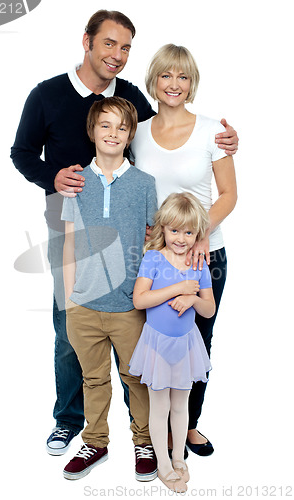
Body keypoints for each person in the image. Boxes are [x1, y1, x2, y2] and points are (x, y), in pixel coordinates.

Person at [10, 9, 238, 456]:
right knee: (70, 328)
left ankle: (163, 429)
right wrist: (52, 177)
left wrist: (229, 141)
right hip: (73, 227)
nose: (117, 55)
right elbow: (21, 152)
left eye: (126, 47)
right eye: (109, 43)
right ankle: (71, 421)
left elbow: (178, 126)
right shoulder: (47, 94)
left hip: (146, 240)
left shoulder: (134, 101)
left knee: (158, 332)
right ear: (87, 41)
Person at [129, 43, 238, 457]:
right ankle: (151, 429)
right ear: (154, 80)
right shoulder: (136, 132)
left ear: (192, 83)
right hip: (154, 258)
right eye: (166, 75)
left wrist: (199, 234)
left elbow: (228, 194)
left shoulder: (213, 130)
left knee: (198, 340)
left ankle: (188, 425)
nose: (174, 84)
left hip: (203, 255)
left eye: (183, 76)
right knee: (152, 340)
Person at [61, 97, 158, 481]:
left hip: (129, 305)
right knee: (94, 379)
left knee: (137, 378)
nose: (113, 133)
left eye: (121, 127)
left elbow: (153, 242)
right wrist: (68, 297)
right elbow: (68, 241)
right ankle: (96, 441)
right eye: (105, 125)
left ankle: (145, 441)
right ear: (92, 131)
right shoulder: (77, 182)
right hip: (83, 305)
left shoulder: (145, 184)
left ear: (130, 134)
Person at [129, 192, 215, 492]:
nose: (181, 238)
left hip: (186, 344)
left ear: (197, 234)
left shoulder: (198, 263)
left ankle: (179, 458)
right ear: (163, 227)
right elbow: (140, 299)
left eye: (189, 232)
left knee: (181, 405)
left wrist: (191, 298)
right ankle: (163, 465)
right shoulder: (153, 258)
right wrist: (178, 287)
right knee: (159, 405)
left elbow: (209, 308)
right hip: (156, 344)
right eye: (174, 230)